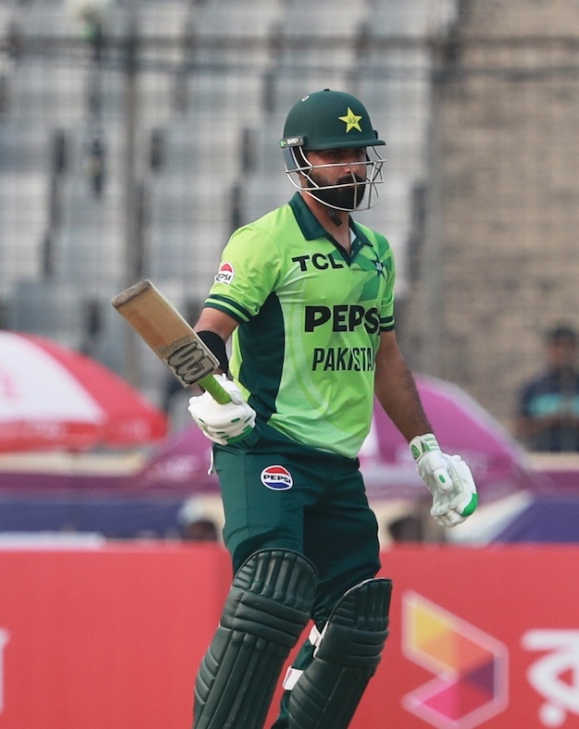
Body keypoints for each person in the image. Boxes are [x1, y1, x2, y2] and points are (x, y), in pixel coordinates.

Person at [184, 89, 479, 729]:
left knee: (356, 619)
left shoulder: (375, 252)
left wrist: (427, 450)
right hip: (266, 447)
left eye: (359, 154)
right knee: (272, 592)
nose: (352, 167)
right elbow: (209, 332)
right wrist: (212, 393)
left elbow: (387, 360)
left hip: (339, 464)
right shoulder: (264, 241)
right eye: (336, 154)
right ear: (301, 160)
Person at [517, 324, 579, 451]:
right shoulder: (534, 387)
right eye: (557, 346)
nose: (563, 352)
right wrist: (551, 420)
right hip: (544, 458)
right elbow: (520, 429)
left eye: (568, 346)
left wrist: (571, 420)